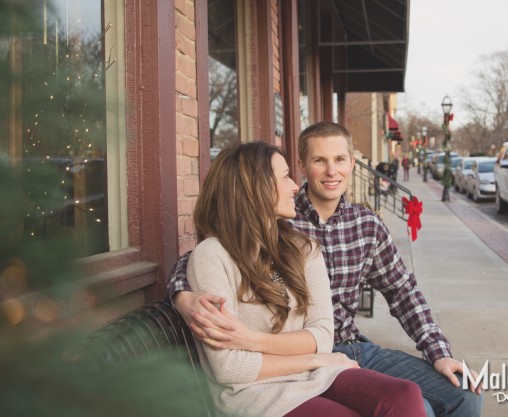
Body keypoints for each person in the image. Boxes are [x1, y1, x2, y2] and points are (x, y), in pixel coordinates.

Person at [169, 122, 482, 417]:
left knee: (465, 392)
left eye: (340, 159)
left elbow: (404, 293)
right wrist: (182, 295)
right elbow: (209, 256)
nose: (332, 171)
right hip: (295, 362)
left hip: (349, 347)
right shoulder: (279, 221)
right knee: (422, 409)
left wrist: (440, 353)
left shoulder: (360, 226)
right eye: (320, 160)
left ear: (351, 165)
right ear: (304, 166)